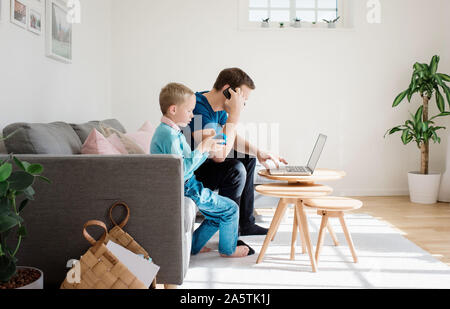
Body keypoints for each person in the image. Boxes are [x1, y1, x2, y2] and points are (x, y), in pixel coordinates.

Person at [150, 82, 251, 258]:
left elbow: (188, 162)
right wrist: (202, 149)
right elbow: (180, 171)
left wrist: (206, 151)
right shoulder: (168, 136)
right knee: (231, 209)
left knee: (215, 216)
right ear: (173, 110)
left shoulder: (171, 132)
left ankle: (193, 246)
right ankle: (228, 249)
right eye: (189, 110)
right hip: (186, 188)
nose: (192, 115)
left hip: (188, 185)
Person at [188, 68, 288, 236]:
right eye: (242, 99)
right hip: (191, 172)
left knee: (247, 159)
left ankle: (245, 224)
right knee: (234, 169)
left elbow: (231, 137)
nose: (242, 105)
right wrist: (234, 115)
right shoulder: (198, 108)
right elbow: (218, 156)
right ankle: (229, 234)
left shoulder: (216, 106)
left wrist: (258, 152)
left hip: (204, 163)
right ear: (228, 91)